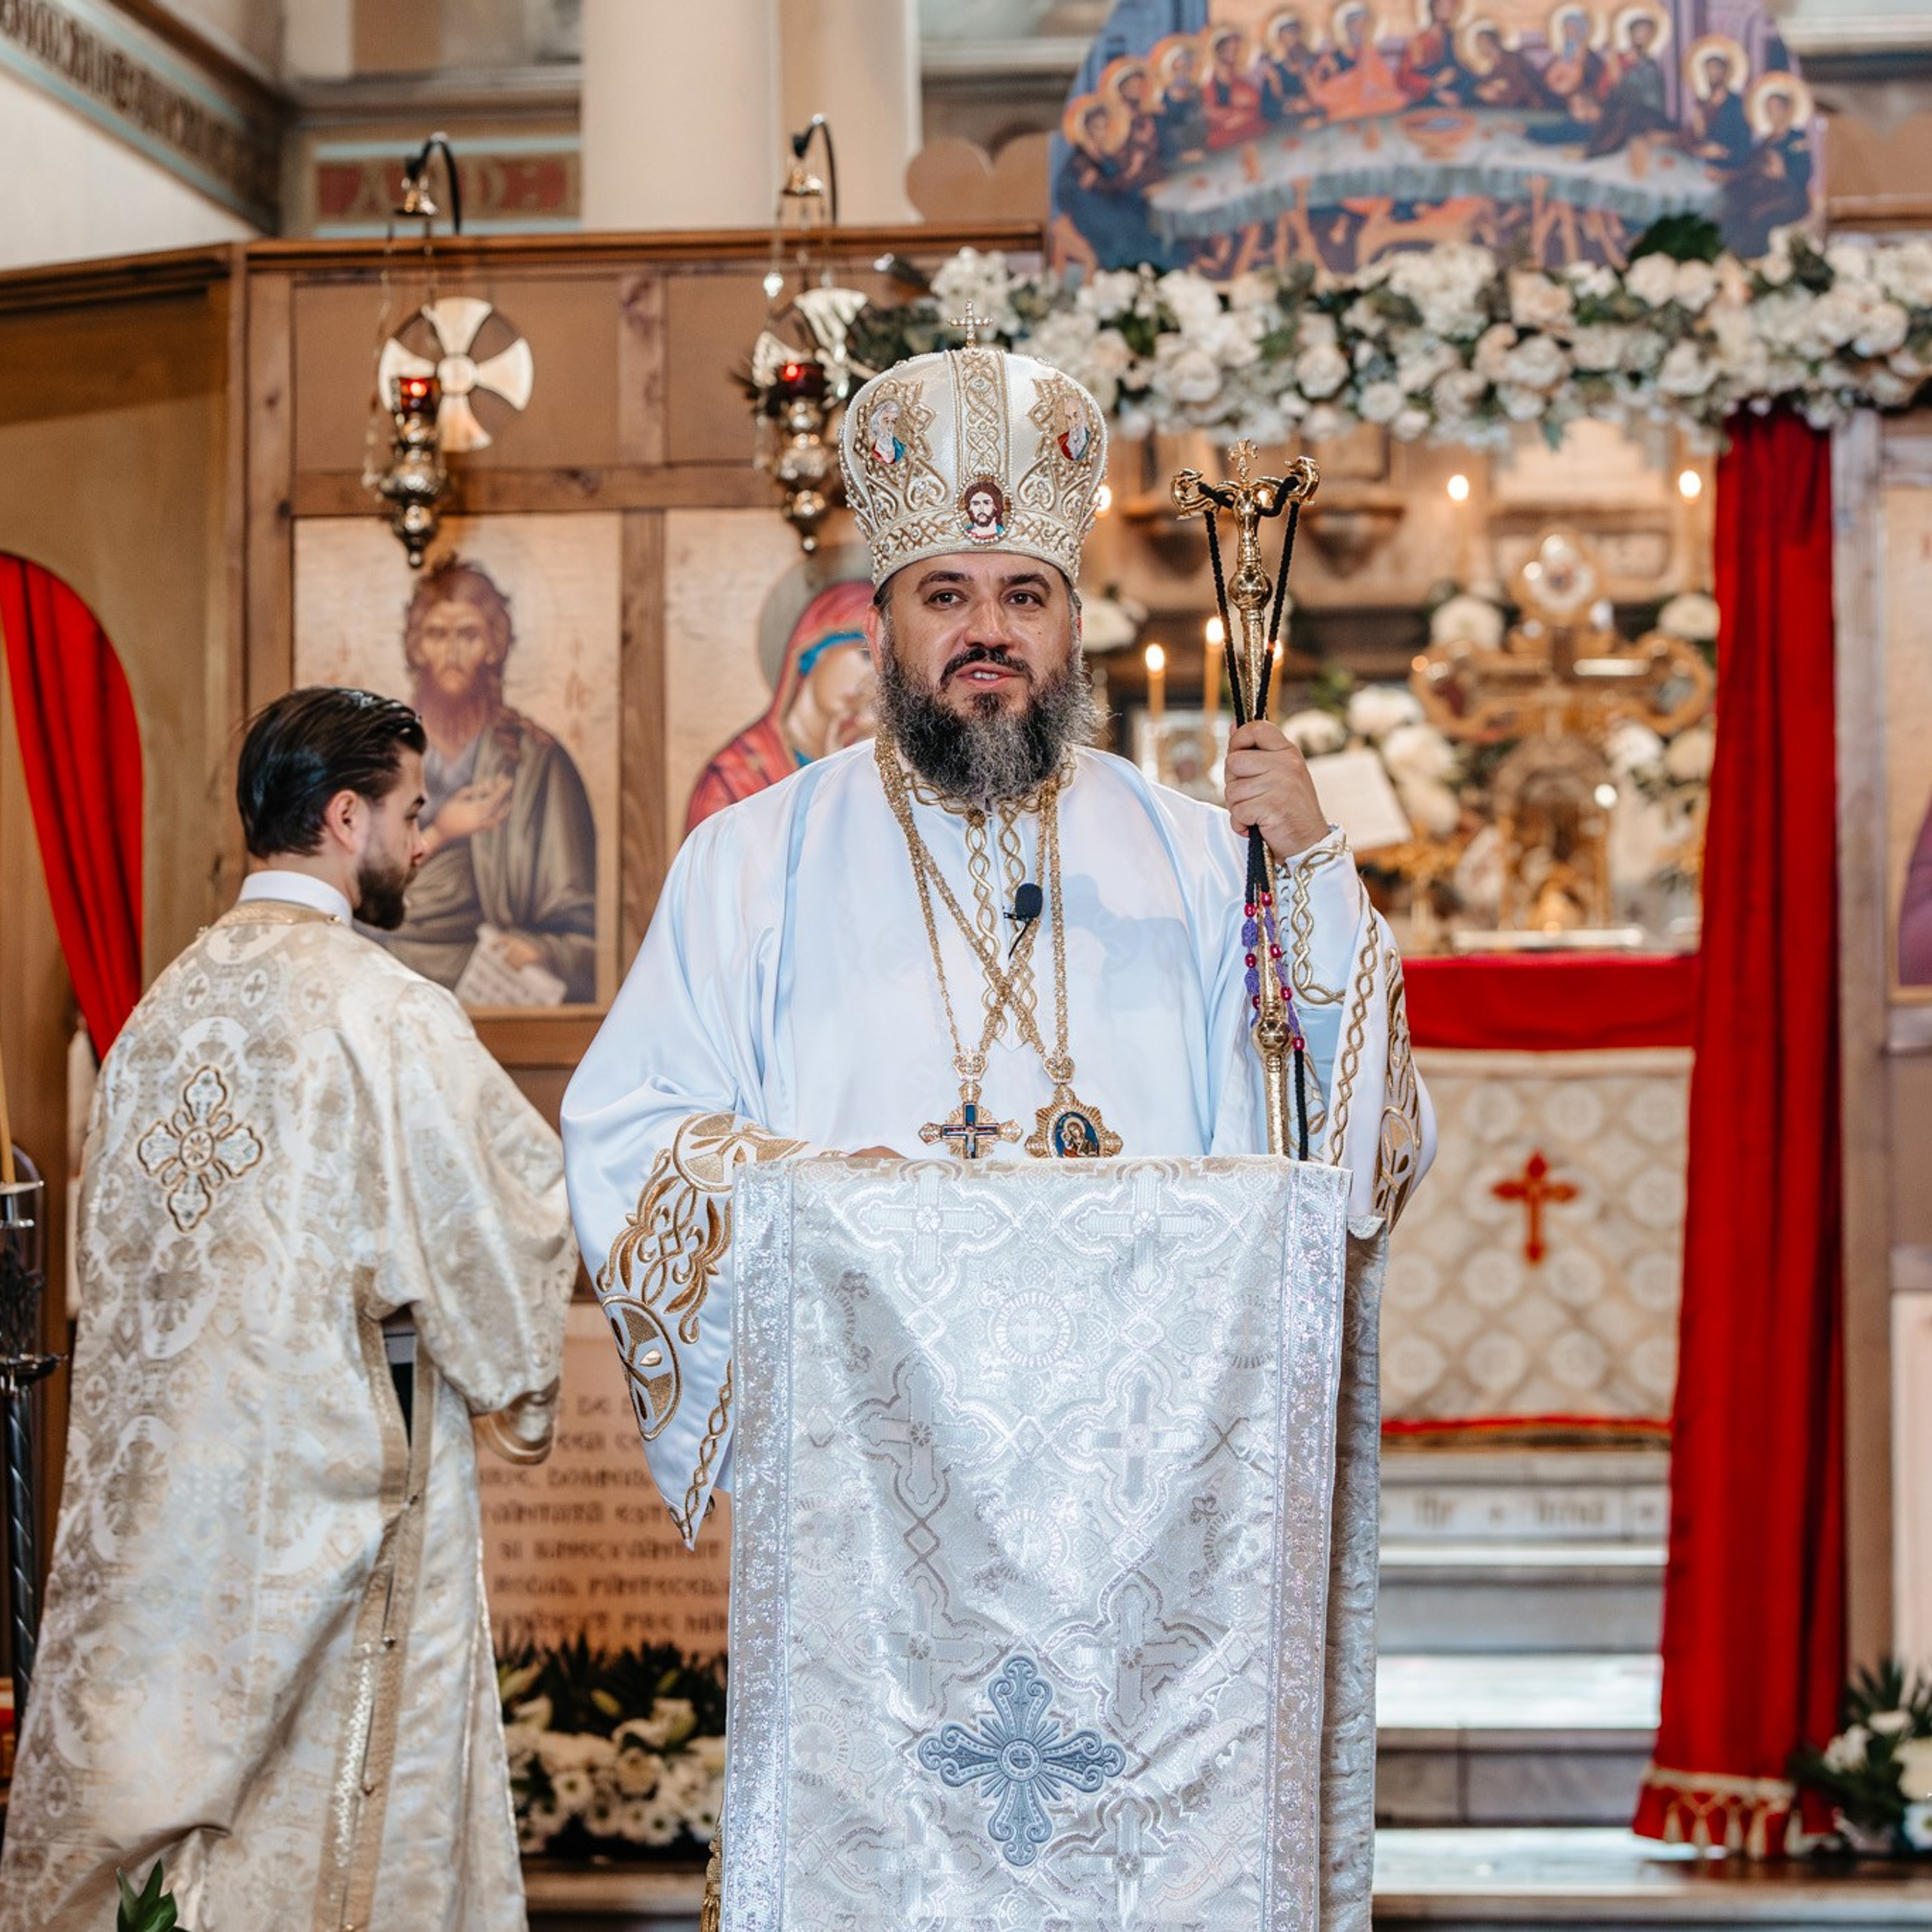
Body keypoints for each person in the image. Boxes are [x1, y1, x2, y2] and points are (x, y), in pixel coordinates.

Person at [562, 337, 1433, 1552]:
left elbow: (1342, 1145)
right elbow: (628, 1128)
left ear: (1075, 627)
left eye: (1024, 596)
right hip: (868, 1453)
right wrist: (816, 1197)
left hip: (1142, 1462)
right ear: (882, 626)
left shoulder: (1195, 857)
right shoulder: (753, 861)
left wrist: (1313, 879)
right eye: (947, 595)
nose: (988, 631)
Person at [0, 687, 577, 1931]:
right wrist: (524, 1388)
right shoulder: (388, 1015)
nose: (426, 844)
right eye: (415, 816)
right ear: (346, 815)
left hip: (161, 1533)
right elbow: (502, 1217)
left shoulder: (156, 1017)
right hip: (334, 1509)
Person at [382, 555, 598, 1004]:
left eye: (469, 635)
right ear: (417, 646)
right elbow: (356, 892)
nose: (452, 654)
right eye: (437, 635)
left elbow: (582, 923)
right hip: (392, 980)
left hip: (498, 985)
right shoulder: (382, 756)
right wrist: (444, 829)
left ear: (494, 646)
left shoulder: (536, 763)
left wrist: (543, 950)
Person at [687, 577, 879, 830]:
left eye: (885, 667)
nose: (873, 680)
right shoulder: (731, 778)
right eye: (865, 655)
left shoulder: (868, 764)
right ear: (815, 649)